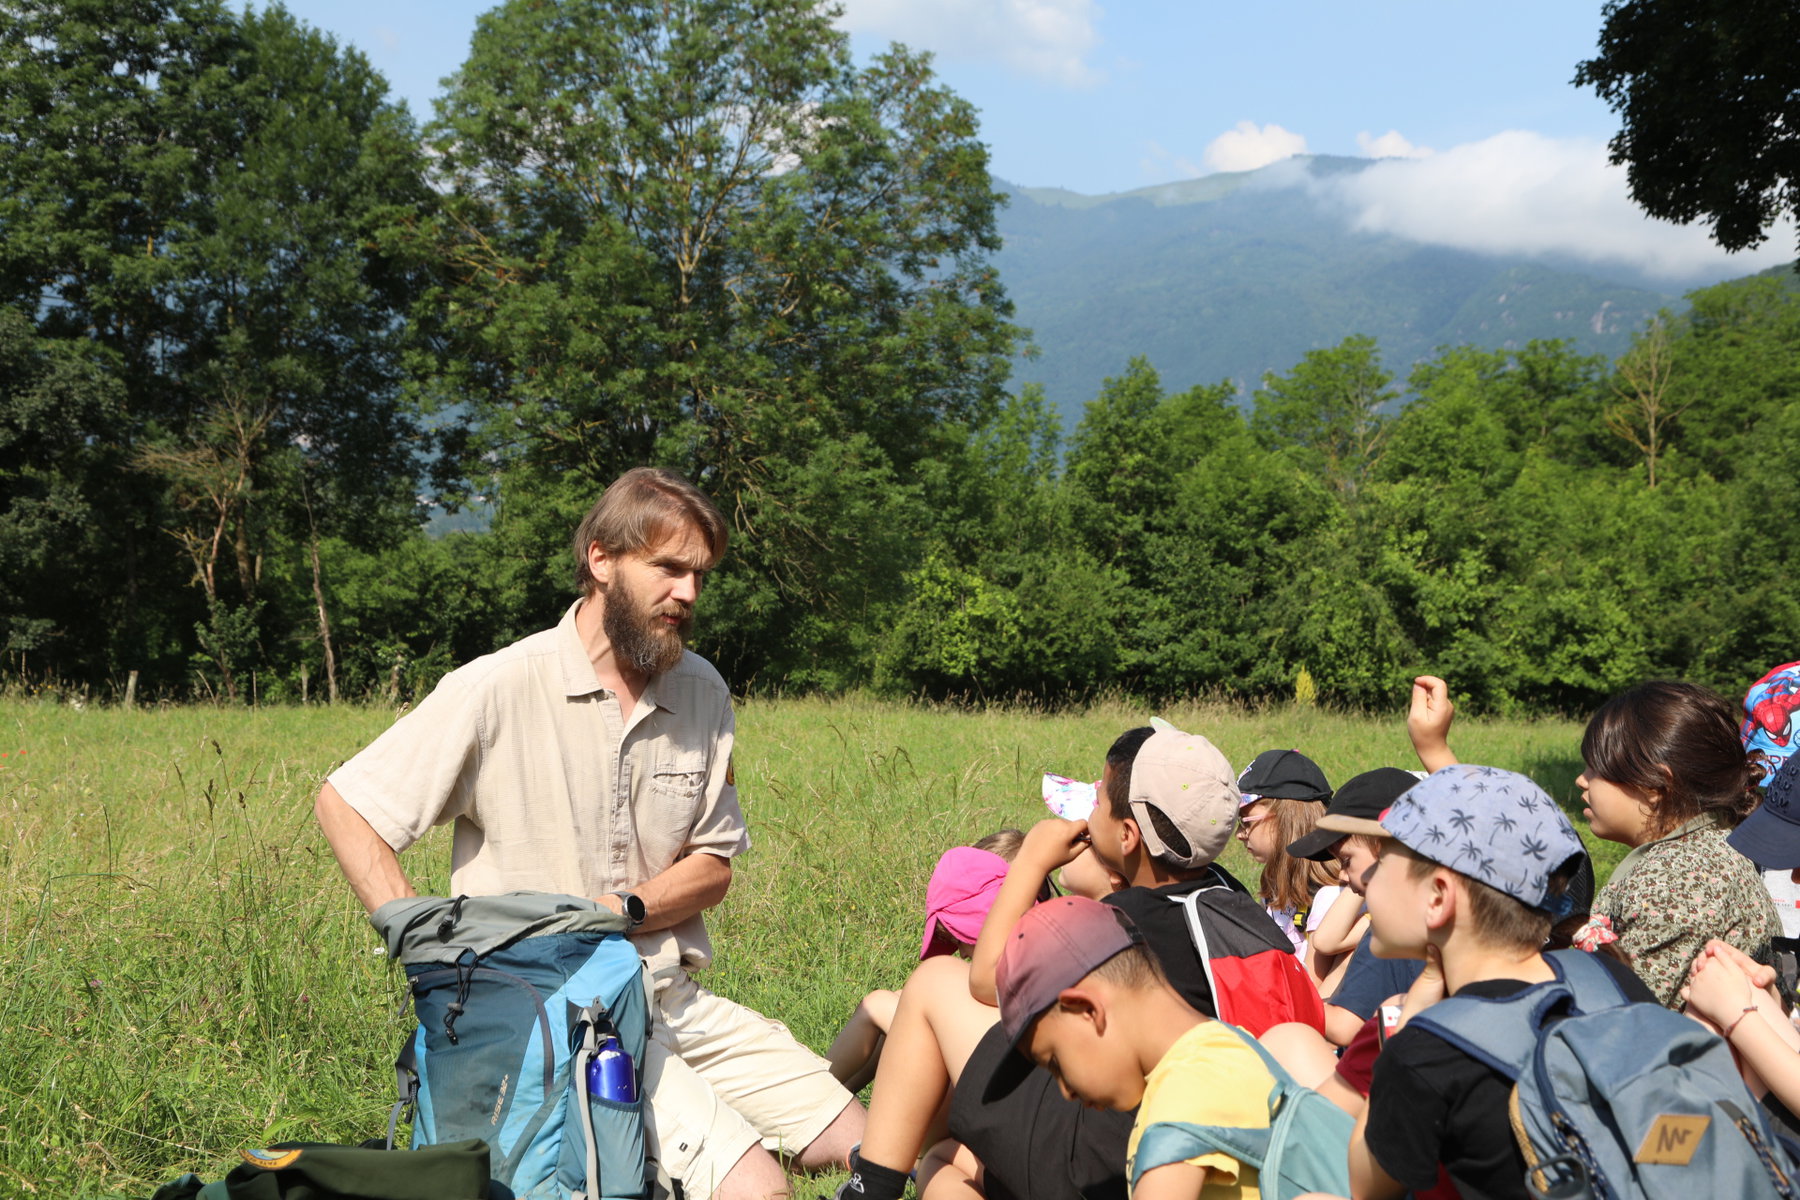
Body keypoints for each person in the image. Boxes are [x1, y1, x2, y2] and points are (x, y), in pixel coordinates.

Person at [314, 467, 862, 1200]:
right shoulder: (498, 686)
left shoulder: (702, 690)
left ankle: (669, 1146)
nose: (690, 594)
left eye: (700, 575)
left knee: (865, 1142)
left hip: (670, 994)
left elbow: (714, 864)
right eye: (668, 568)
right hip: (563, 1019)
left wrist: (625, 909)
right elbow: (345, 802)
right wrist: (421, 936)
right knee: (760, 1191)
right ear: (601, 559)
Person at [834, 725, 1313, 1200]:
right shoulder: (1233, 900)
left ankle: (867, 1189)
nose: (1089, 812)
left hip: (1111, 1152)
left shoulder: (1123, 922)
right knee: (945, 1160)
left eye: (1099, 801)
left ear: (1127, 835)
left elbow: (987, 981)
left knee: (935, 982)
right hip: (1201, 1140)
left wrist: (1031, 862)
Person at [1346, 765, 1657, 1200]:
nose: (1363, 880)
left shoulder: (1426, 1050)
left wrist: (1404, 1031)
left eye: (1381, 865)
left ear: (1438, 897)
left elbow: (1367, 1185)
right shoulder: (1611, 975)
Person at [979, 895, 1318, 1200]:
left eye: (1055, 1062)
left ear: (1087, 1011)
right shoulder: (1233, 1044)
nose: (1065, 1090)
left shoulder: (1181, 1106)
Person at [1572, 680, 1780, 1006]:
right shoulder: (1701, 853)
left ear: (1655, 785)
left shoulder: (1680, 880)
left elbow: (1613, 1013)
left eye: (1596, 767)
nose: (1582, 780)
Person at [1284, 768, 1426, 1046]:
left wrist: (1281, 1001)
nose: (1341, 876)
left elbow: (1344, 1028)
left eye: (1347, 861)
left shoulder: (1392, 926)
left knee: (1288, 1041)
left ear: (1388, 850)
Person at [1234, 748, 1347, 977]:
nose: (1239, 834)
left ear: (1287, 820)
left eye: (1245, 821)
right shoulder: (1274, 884)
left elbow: (1312, 988)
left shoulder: (1329, 897)